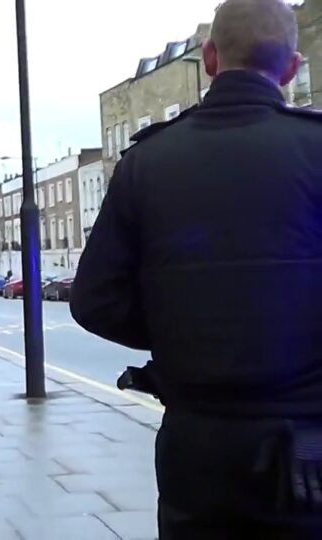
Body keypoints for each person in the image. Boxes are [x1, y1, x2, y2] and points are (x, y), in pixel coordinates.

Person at [70, 0, 322, 536]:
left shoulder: (146, 162)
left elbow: (94, 299)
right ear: (292, 68)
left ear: (209, 58)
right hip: (306, 443)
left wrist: (175, 330)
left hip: (195, 443)